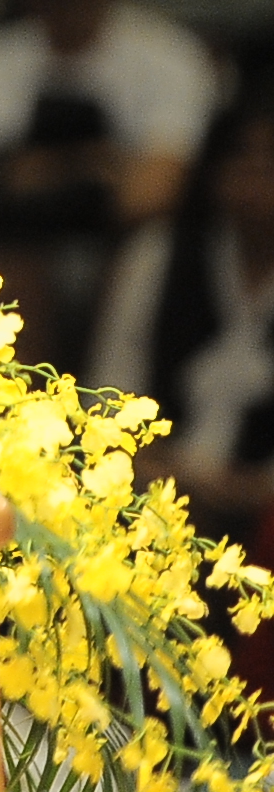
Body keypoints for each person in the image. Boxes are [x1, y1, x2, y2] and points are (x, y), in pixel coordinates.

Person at [0, 0, 217, 364]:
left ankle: (109, 405)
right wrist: (91, 166)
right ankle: (1, 405)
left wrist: (30, 174)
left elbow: (150, 195)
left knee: (151, 251)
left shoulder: (170, 58)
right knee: (1, 256)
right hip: (12, 237)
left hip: (126, 244)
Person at [90, 81, 274, 538]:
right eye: (243, 159)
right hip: (157, 486)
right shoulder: (159, 255)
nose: (257, 178)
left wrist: (251, 491)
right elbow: (110, 395)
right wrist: (159, 469)